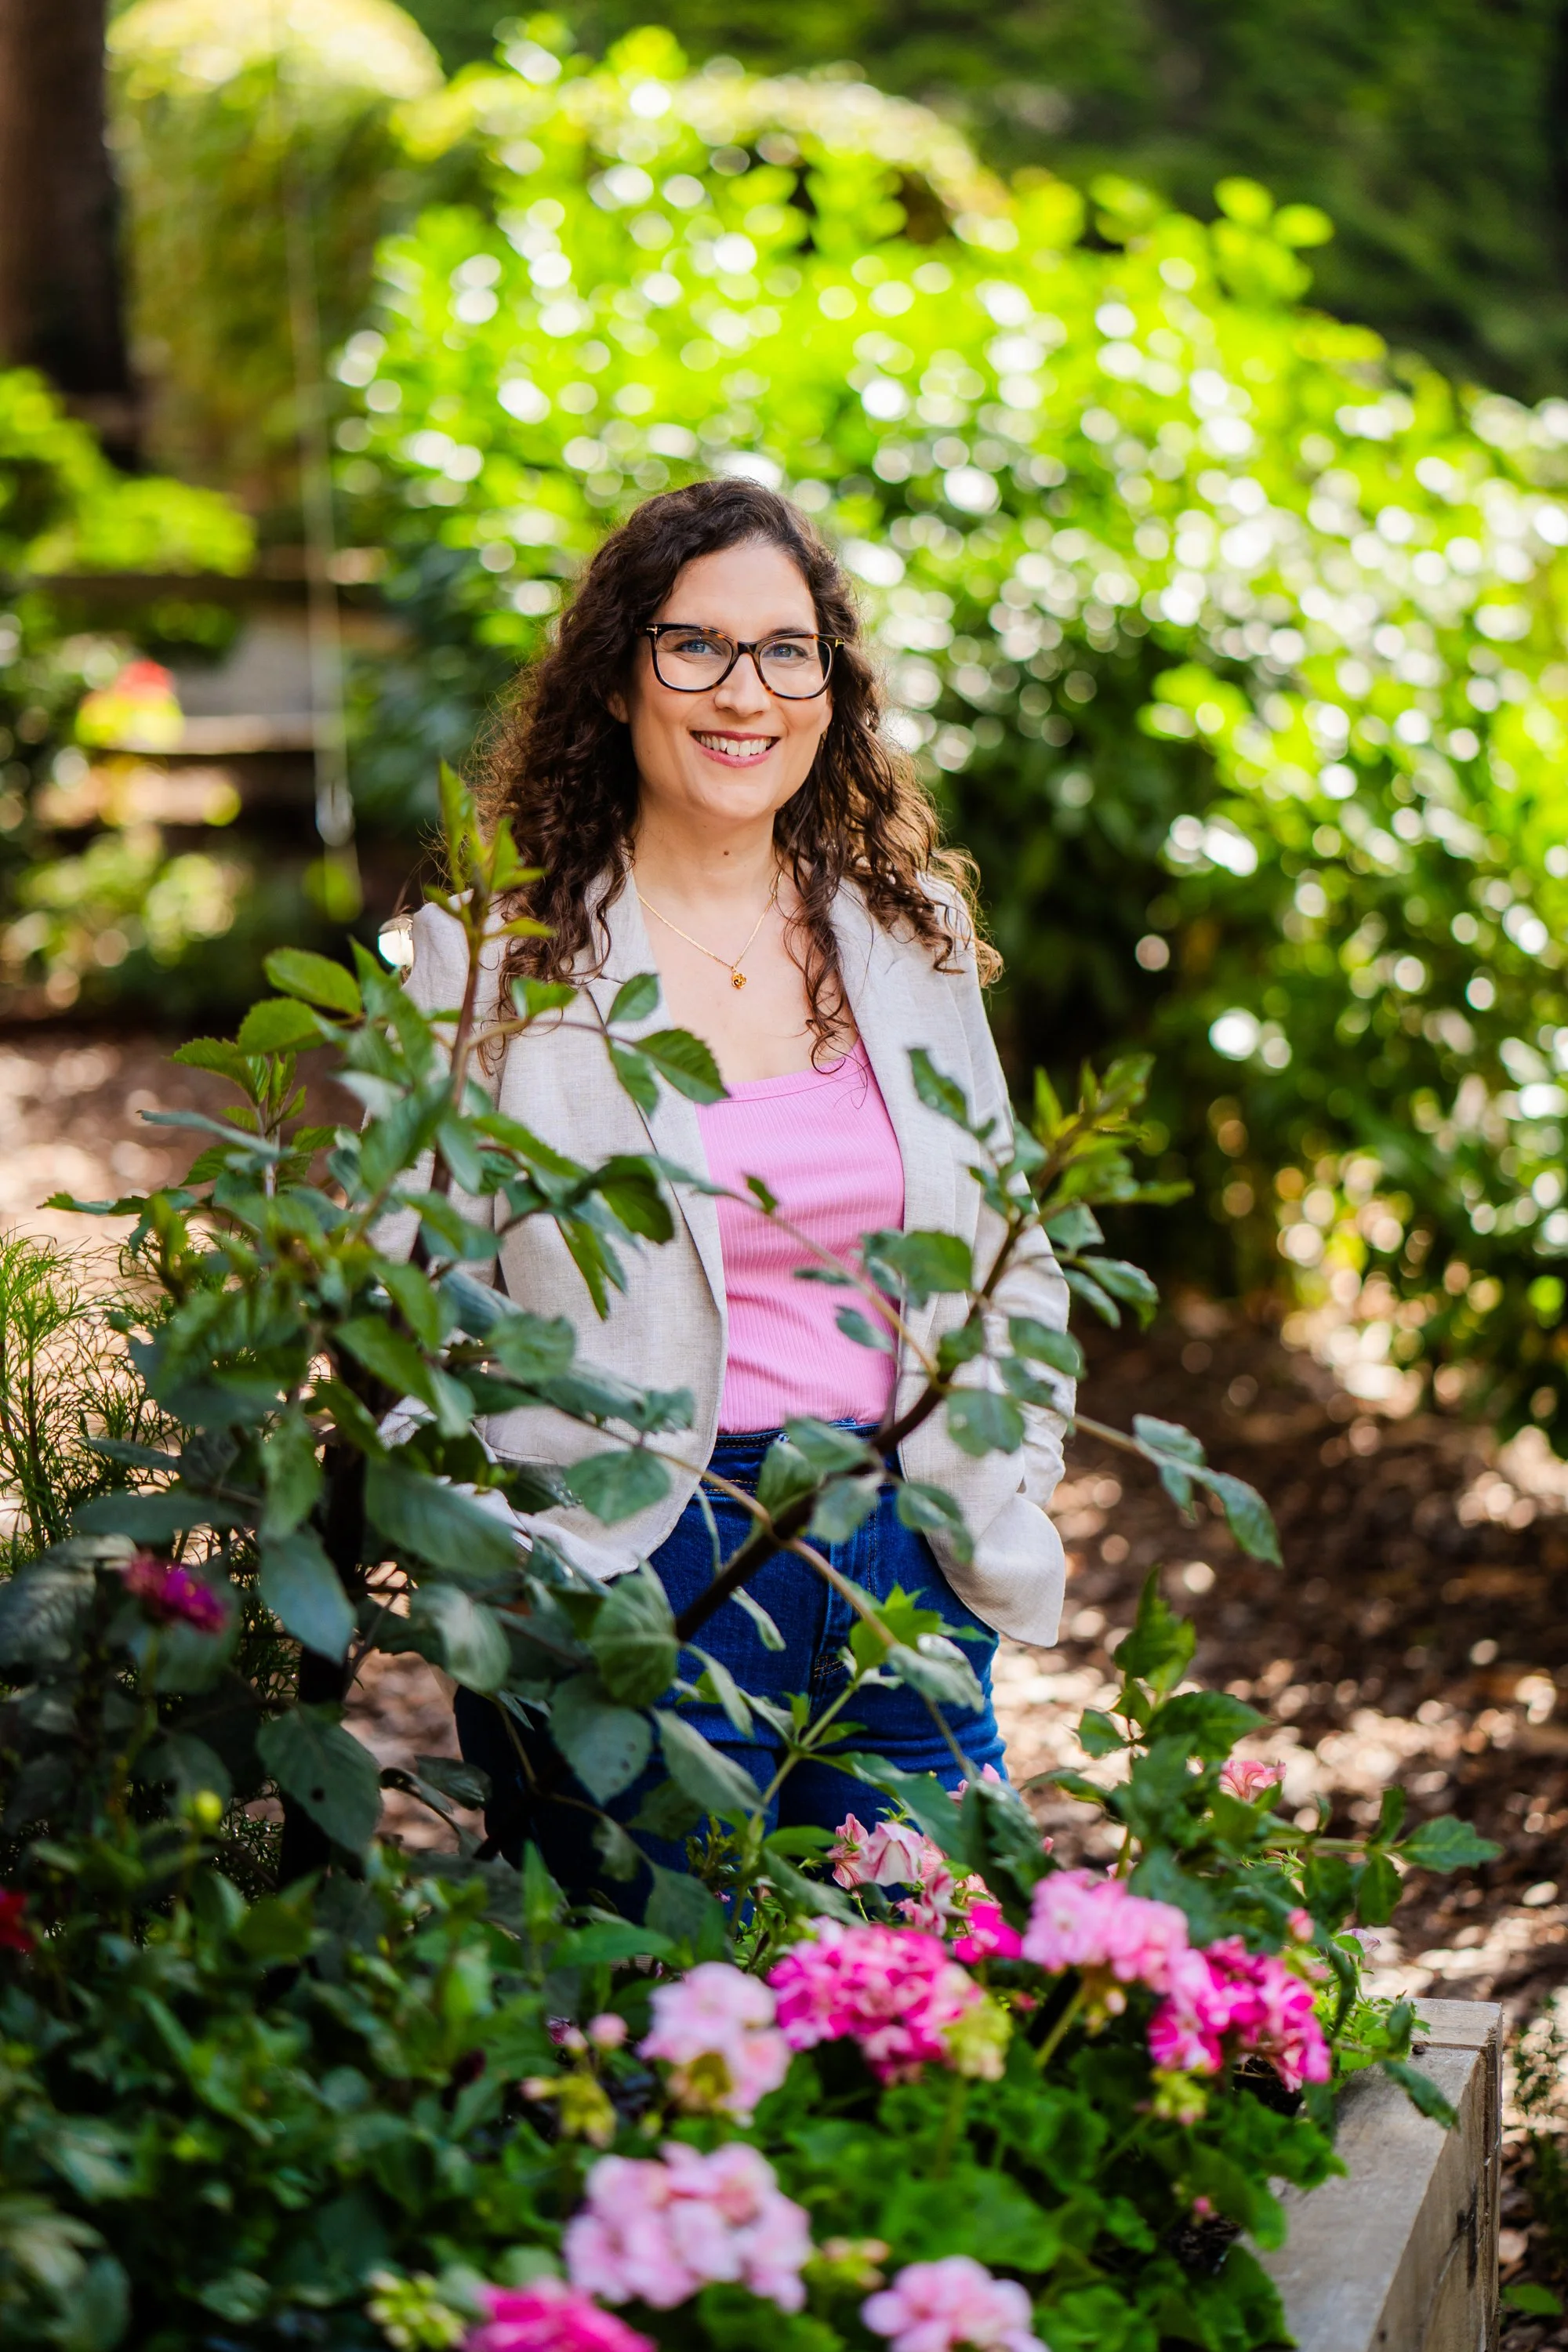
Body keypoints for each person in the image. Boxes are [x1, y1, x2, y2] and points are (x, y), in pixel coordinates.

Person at [398, 477, 1073, 1890]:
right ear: (618, 677)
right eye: (694, 644)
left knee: (920, 2024)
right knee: (643, 2027)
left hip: (905, 1552)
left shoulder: (912, 933)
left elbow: (1009, 1244)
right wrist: (514, 1565)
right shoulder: (492, 962)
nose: (742, 691)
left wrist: (1012, 1477)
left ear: (830, 689)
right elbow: (401, 1296)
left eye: (785, 650)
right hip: (631, 1562)